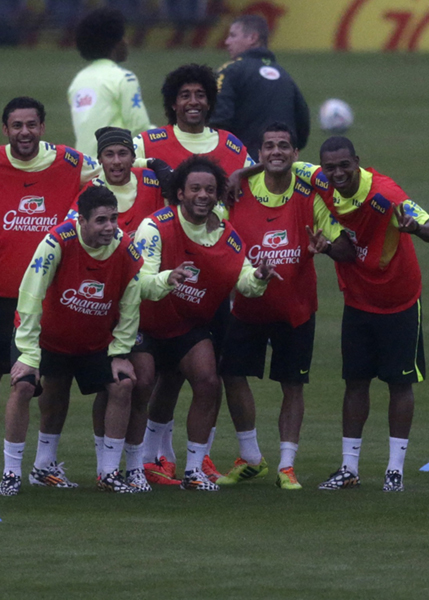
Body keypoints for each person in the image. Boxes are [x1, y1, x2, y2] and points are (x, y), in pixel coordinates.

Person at [0, 97, 100, 491]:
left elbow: (114, 170)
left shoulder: (71, 163)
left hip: (46, 300)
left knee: (51, 382)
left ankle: (43, 464)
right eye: (16, 126)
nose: (24, 132)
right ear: (4, 129)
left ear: (43, 127)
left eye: (31, 125)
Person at [133, 63, 255, 484]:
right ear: (172, 101)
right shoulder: (149, 140)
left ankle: (194, 459)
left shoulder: (232, 145)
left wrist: (244, 174)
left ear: (210, 101)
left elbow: (258, 175)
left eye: (200, 95)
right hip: (159, 268)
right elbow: (111, 162)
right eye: (184, 95)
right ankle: (156, 455)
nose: (193, 102)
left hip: (213, 274)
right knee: (162, 376)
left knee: (207, 373)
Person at [216, 123, 355, 490]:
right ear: (259, 155)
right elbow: (215, 239)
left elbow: (346, 248)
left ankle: (287, 466)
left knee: (292, 385)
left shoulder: (310, 195)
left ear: (295, 155)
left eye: (283, 146)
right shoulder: (238, 192)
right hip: (245, 307)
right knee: (231, 375)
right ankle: (250, 458)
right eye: (268, 146)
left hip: (296, 309)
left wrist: (326, 248)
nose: (276, 152)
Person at [134, 155, 279, 492]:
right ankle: (131, 465)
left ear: (218, 195)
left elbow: (243, 281)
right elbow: (140, 283)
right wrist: (170, 277)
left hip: (187, 325)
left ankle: (194, 470)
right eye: (195, 188)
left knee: (208, 382)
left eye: (210, 190)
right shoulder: (154, 227)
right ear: (180, 193)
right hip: (145, 324)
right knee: (141, 386)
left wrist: (258, 276)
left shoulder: (227, 235)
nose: (203, 195)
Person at [308, 136, 429, 492]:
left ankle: (394, 470)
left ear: (357, 162)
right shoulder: (320, 182)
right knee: (355, 382)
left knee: (400, 384)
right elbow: (287, 166)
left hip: (398, 301)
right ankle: (348, 468)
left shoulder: (385, 194)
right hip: (357, 301)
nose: (337, 173)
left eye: (344, 166)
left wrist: (415, 228)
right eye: (330, 167)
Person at [0, 186, 143, 495]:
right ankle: (13, 473)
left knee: (123, 383)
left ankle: (107, 473)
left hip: (93, 340)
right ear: (83, 220)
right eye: (101, 220)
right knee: (24, 385)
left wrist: (120, 352)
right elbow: (31, 295)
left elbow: (130, 304)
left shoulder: (126, 249)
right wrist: (28, 354)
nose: (110, 227)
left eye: (114, 219)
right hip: (46, 336)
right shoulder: (56, 242)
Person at [67, 126, 166, 491]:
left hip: (138, 305)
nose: (117, 162)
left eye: (123, 153)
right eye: (109, 155)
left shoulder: (154, 184)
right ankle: (105, 467)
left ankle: (135, 466)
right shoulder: (88, 195)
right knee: (110, 387)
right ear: (100, 158)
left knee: (142, 380)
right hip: (94, 309)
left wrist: (156, 164)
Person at [210, 14, 310, 160]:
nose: (227, 42)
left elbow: (218, 120)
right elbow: (303, 124)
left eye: (232, 35)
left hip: (243, 167)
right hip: (279, 167)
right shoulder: (285, 76)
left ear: (252, 38)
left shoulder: (229, 71)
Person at [68, 7, 152, 158]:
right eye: (123, 37)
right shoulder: (124, 78)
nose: (126, 42)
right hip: (115, 168)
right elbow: (140, 128)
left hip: (84, 168)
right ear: (116, 43)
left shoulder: (78, 81)